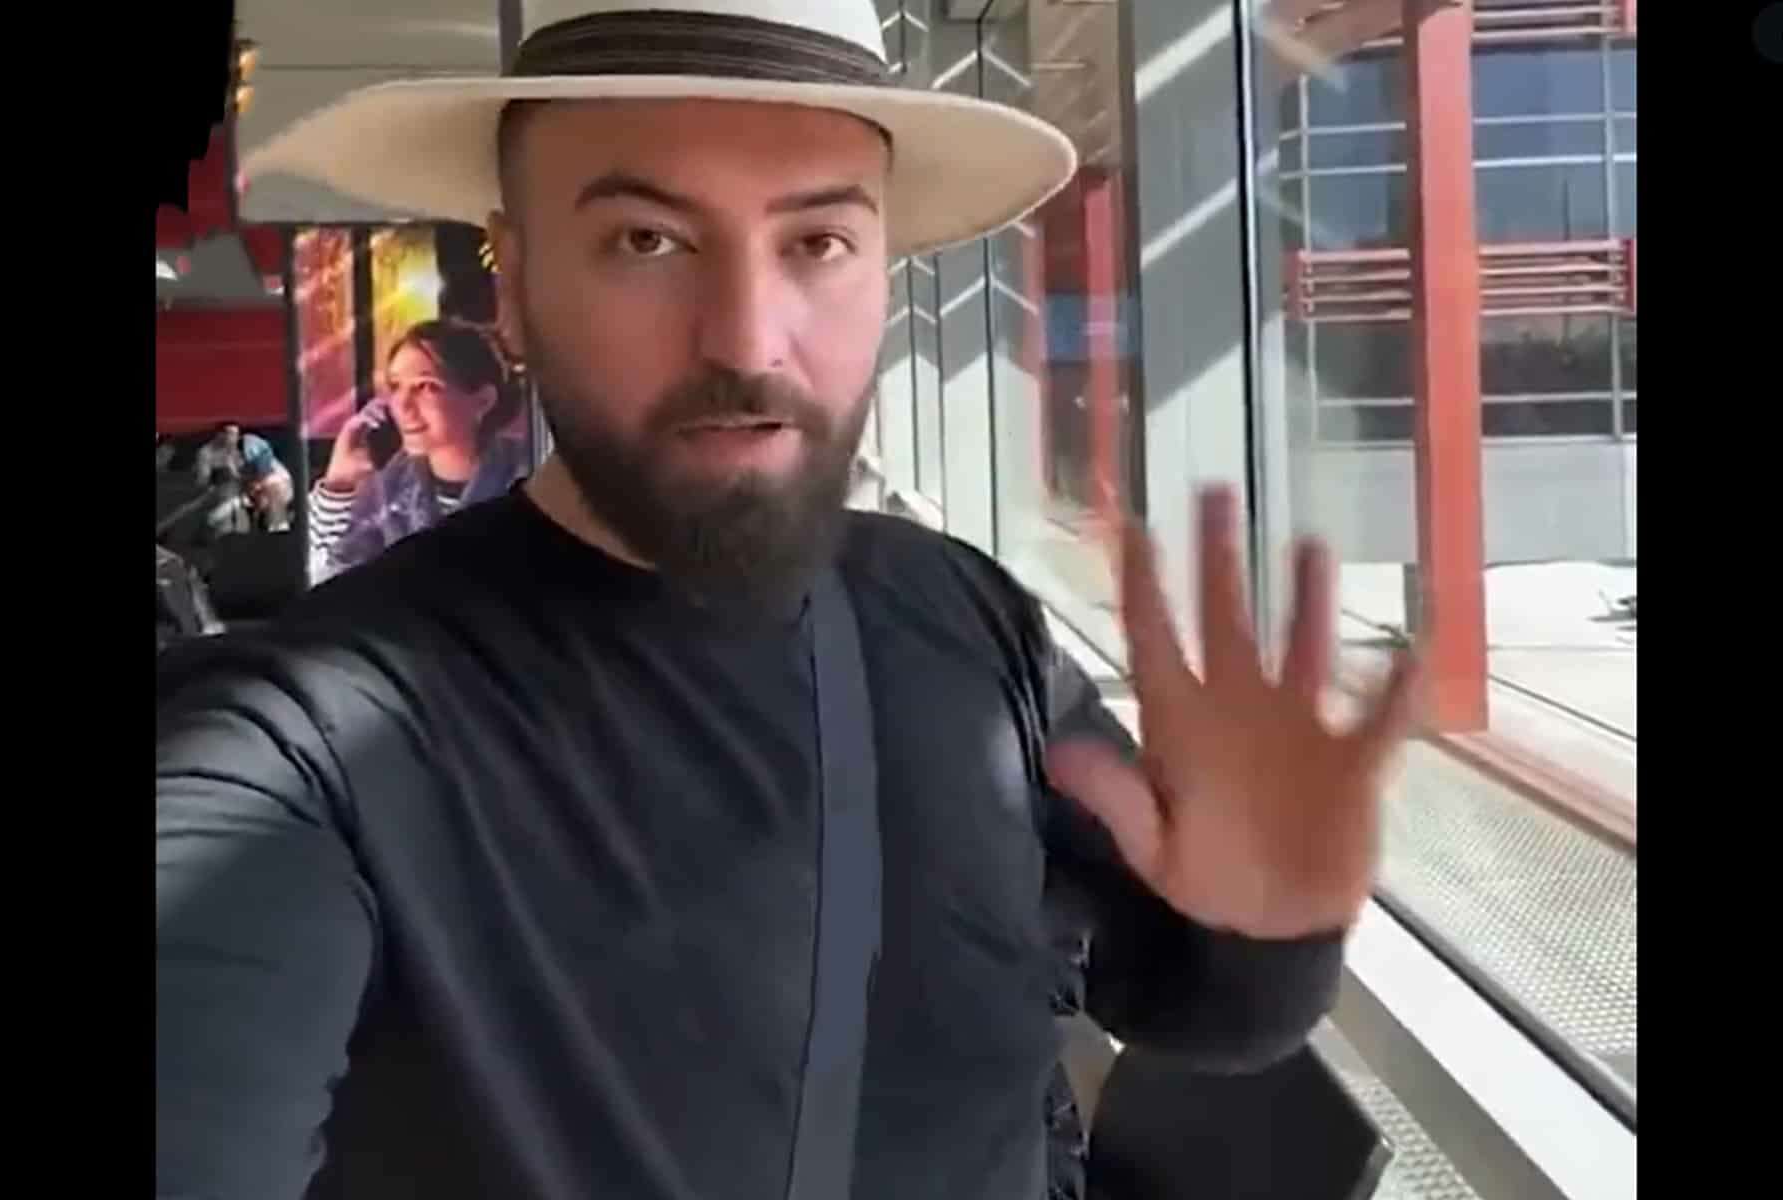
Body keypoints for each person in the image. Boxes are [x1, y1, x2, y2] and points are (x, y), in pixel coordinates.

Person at [160, 4, 1420, 1200]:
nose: (748, 340)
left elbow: (1177, 1004)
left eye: (818, 242)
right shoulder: (306, 744)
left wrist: (1270, 943)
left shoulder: (958, 609)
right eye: (646, 240)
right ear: (518, 287)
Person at [306, 319, 526, 583]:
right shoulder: (388, 489)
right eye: (395, 386)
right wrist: (338, 486)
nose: (402, 405)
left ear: (483, 400)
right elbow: (326, 580)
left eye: (425, 386)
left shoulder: (530, 476)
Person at [194, 422, 296, 533]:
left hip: (264, 483)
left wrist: (255, 489)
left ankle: (277, 527)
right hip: (247, 481)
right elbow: (204, 482)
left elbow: (263, 474)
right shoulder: (208, 452)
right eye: (226, 433)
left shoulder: (250, 444)